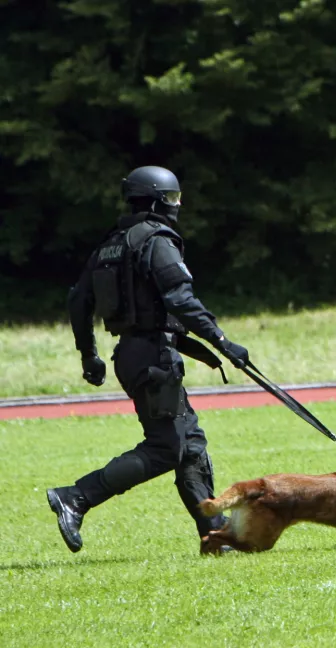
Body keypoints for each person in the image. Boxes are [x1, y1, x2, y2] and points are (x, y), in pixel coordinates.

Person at [46, 165, 251, 553]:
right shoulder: (156, 240)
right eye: (172, 198)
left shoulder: (111, 244)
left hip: (132, 353)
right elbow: (179, 298)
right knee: (165, 448)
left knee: (189, 444)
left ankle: (217, 536)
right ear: (158, 201)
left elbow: (78, 300)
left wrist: (89, 355)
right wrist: (222, 340)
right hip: (154, 357)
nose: (176, 205)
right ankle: (76, 496)